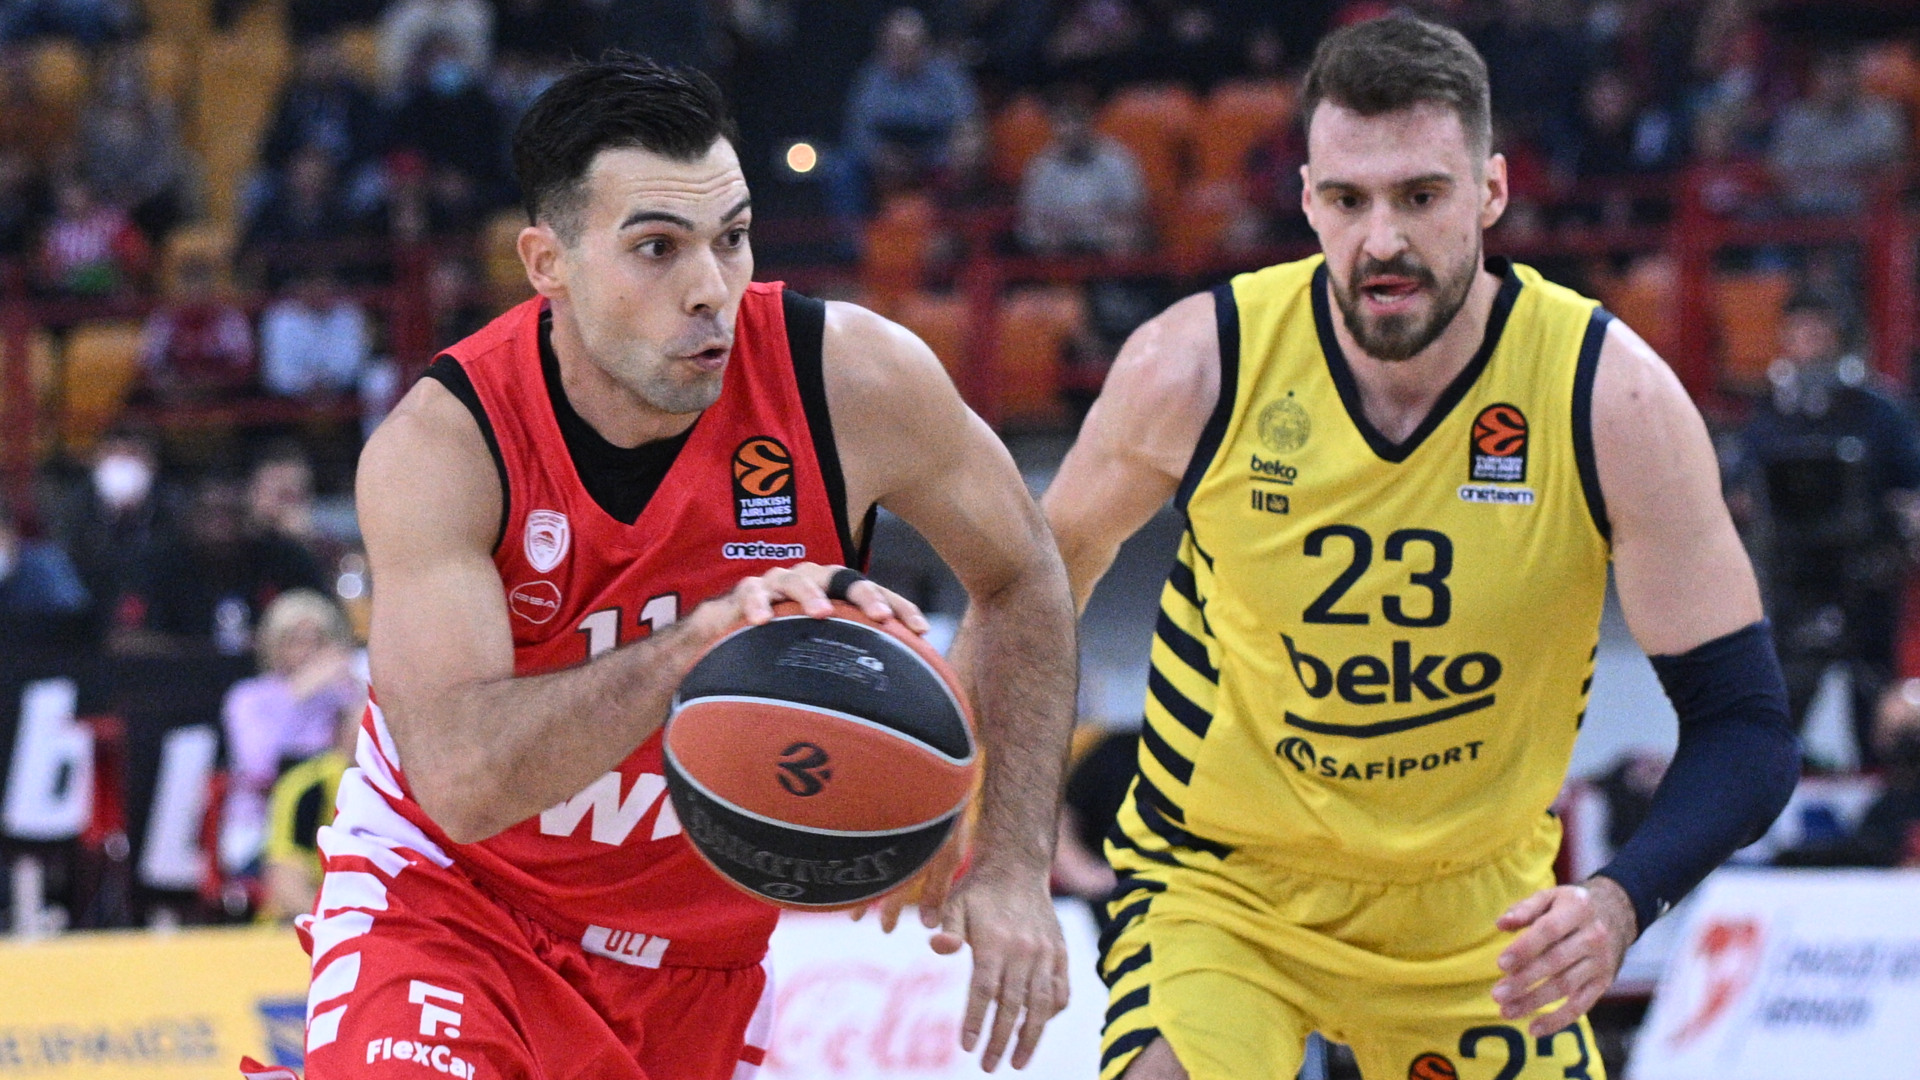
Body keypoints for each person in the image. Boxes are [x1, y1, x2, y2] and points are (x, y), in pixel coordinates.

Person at [281, 56, 1076, 1080]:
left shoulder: (855, 380)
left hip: (702, 962)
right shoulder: (447, 445)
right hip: (455, 904)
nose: (709, 288)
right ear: (548, 262)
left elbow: (1023, 574)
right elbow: (464, 786)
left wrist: (1010, 860)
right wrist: (700, 639)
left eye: (731, 238)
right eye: (657, 248)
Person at [1042, 18, 1800, 1080]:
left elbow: (1746, 727)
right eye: (1348, 200)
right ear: (1308, 200)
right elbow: (1027, 592)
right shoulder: (1194, 366)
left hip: (1475, 913)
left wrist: (1620, 900)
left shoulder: (1608, 397)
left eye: (1421, 196)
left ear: (1491, 191)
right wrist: (1000, 843)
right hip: (1226, 885)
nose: (1382, 240)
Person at [1726, 292, 1920, 766]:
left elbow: (1910, 484)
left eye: (1820, 330)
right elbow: (1738, 491)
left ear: (1839, 337)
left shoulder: (1878, 411)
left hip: (1867, 578)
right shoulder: (1767, 414)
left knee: (1872, 700)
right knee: (1785, 700)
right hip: (1791, 581)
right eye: (1800, 331)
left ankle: (1883, 782)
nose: (1810, 342)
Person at [219, 589, 363, 877]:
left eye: (319, 640)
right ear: (274, 644)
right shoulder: (249, 697)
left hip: (336, 821)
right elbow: (260, 769)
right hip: (264, 828)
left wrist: (354, 691)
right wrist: (297, 695)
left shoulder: (342, 695)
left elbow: (365, 759)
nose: (308, 651)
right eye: (296, 640)